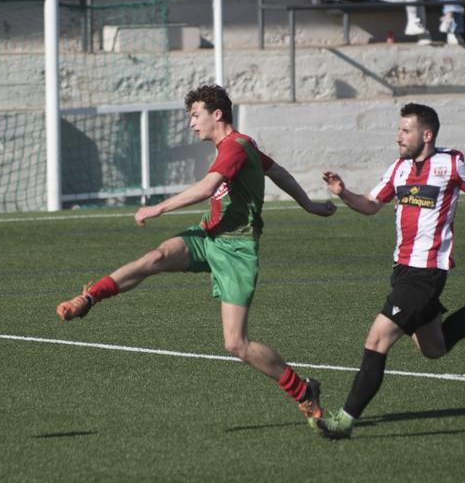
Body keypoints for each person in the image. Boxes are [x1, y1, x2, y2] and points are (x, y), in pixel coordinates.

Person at [56, 84, 337, 422]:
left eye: (195, 115)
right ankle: (89, 298)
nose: (191, 123)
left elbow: (207, 187)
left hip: (237, 250)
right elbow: (275, 170)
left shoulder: (235, 146)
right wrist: (307, 204)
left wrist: (157, 208)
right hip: (208, 235)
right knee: (154, 258)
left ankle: (304, 391)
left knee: (236, 343)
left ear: (217, 114)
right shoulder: (238, 147)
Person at [313, 103, 465, 439]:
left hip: (427, 273)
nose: (398, 136)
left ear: (427, 134)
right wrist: (343, 192)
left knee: (376, 339)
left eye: (406, 131)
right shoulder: (398, 169)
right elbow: (371, 205)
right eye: (399, 130)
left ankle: (345, 420)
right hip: (402, 270)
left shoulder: (451, 163)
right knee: (435, 348)